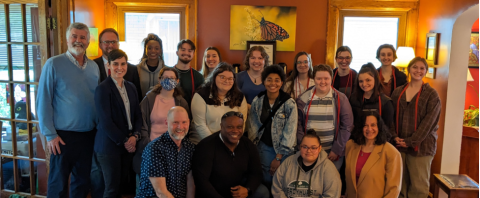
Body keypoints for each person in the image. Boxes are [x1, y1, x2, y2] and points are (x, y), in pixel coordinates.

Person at [37, 22, 99, 197]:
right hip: (62, 137)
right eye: (74, 36)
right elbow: (43, 101)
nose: (78, 40)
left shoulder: (94, 67)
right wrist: (50, 134)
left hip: (88, 135)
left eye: (82, 37)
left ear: (88, 41)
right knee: (58, 184)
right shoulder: (53, 64)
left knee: (82, 182)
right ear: (67, 39)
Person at [91, 49, 143, 198]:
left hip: (128, 144)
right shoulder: (102, 89)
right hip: (109, 146)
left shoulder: (131, 87)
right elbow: (106, 122)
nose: (119, 67)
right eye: (115, 64)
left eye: (123, 64)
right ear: (108, 65)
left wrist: (136, 136)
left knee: (121, 186)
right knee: (111, 189)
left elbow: (138, 116)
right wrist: (125, 141)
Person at [391, 57, 441, 198]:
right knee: (400, 184)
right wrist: (395, 136)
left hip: (422, 148)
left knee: (418, 187)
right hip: (399, 145)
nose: (418, 71)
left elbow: (429, 123)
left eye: (421, 68)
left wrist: (411, 141)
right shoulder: (398, 92)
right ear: (409, 69)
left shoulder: (431, 94)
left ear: (425, 71)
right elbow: (391, 117)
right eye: (415, 67)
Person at [132, 67, 190, 186]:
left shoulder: (181, 102)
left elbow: (185, 126)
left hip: (173, 151)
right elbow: (141, 123)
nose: (169, 81)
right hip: (150, 147)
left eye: (172, 78)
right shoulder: (149, 99)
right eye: (165, 78)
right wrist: (149, 145)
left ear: (177, 81)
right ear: (159, 80)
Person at [192, 111, 269, 198]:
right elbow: (201, 182)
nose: (235, 131)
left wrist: (248, 189)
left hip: (237, 193)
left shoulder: (248, 144)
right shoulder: (206, 147)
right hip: (214, 194)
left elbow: (256, 173)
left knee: (263, 192)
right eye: (230, 127)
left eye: (239, 127)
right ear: (221, 127)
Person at [296, 64, 354, 171]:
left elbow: (347, 126)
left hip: (331, 153)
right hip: (309, 152)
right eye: (319, 78)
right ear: (314, 79)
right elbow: (297, 125)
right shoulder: (303, 98)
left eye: (326, 78)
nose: (323, 82)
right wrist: (303, 146)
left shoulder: (340, 99)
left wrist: (336, 150)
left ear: (331, 79)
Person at [248, 65, 297, 189]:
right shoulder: (257, 101)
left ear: (281, 82)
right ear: (264, 81)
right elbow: (252, 128)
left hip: (283, 152)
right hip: (262, 149)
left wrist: (278, 157)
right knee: (265, 181)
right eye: (269, 79)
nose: (273, 83)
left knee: (281, 182)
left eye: (277, 80)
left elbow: (290, 132)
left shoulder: (289, 103)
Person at [136, 106, 195, 198]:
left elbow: (190, 182)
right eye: (175, 122)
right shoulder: (154, 149)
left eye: (184, 122)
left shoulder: (190, 147)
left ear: (189, 122)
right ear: (166, 122)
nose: (180, 127)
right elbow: (161, 192)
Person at [345, 111, 402, 198]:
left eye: (373, 125)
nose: (369, 129)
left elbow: (393, 190)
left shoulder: (391, 153)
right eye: (365, 125)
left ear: (379, 127)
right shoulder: (351, 145)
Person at [189, 62, 248, 144]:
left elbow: (242, 122)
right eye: (222, 77)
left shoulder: (240, 97)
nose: (226, 81)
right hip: (204, 141)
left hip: (230, 141)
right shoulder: (201, 95)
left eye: (230, 78)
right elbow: (200, 125)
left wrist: (232, 140)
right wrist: (216, 145)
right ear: (214, 77)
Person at [272, 130, 341, 198]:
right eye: (305, 147)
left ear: (319, 148)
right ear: (300, 147)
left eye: (313, 148)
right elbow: (277, 187)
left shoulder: (328, 168)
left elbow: (332, 194)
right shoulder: (288, 162)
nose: (308, 151)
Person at [93, 28, 142, 99]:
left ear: (118, 44)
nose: (110, 45)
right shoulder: (93, 66)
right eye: (106, 42)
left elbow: (138, 97)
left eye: (113, 42)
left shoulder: (132, 69)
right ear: (100, 45)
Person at [350, 63, 395, 137]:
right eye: (361, 81)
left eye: (368, 80)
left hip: (378, 141)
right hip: (357, 140)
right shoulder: (353, 99)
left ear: (375, 80)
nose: (364, 84)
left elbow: (388, 129)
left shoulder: (386, 102)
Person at [174, 39, 205, 106]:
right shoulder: (168, 73)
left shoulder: (198, 77)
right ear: (177, 52)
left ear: (193, 54)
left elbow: (201, 100)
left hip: (190, 115)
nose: (186, 53)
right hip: (169, 113)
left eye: (190, 51)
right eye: (183, 50)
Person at [137, 33, 165, 98]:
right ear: (145, 49)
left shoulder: (166, 70)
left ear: (160, 50)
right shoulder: (137, 69)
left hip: (161, 106)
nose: (153, 51)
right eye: (149, 48)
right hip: (141, 106)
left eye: (156, 48)